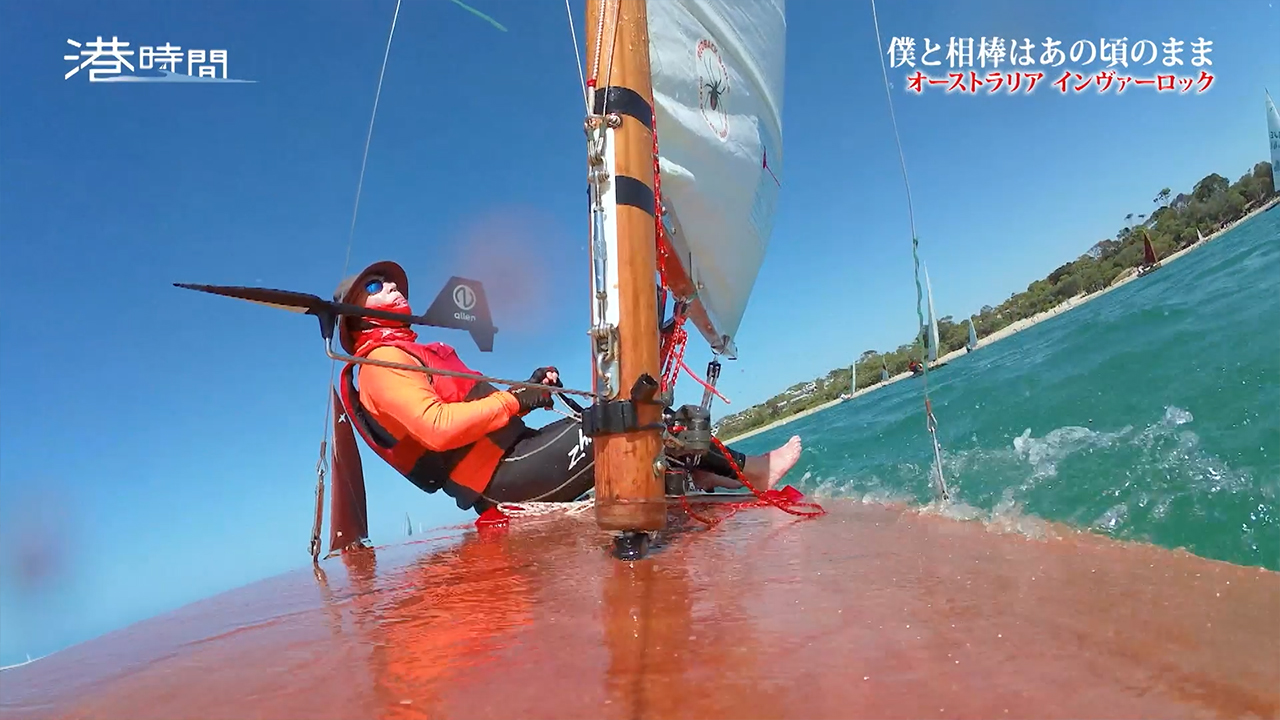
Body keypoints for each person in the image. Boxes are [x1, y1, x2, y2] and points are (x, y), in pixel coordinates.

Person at [333, 260, 803, 514]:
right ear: (355, 317)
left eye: (388, 281)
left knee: (634, 410)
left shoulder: (407, 353)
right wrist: (515, 399)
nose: (391, 286)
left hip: (515, 455)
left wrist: (529, 392)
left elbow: (481, 410)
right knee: (624, 415)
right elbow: (437, 428)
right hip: (499, 481)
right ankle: (751, 472)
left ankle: (706, 472)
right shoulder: (378, 364)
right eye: (374, 286)